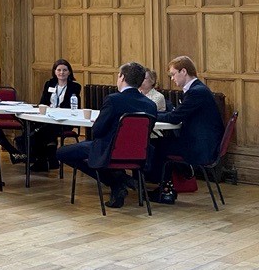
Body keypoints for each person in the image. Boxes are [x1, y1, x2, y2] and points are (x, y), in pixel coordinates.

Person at [55, 62, 156, 208]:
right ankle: (118, 182)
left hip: (108, 150)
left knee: (62, 152)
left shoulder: (113, 99)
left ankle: (117, 181)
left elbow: (97, 131)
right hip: (138, 153)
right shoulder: (150, 105)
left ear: (122, 77)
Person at [147, 56, 225, 203]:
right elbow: (177, 114)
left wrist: (150, 115)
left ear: (183, 71)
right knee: (162, 143)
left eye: (173, 74)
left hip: (201, 147)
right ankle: (166, 187)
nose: (172, 79)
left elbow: (175, 117)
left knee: (158, 145)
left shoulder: (197, 92)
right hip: (200, 141)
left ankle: (166, 190)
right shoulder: (197, 89)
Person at [23, 58, 84, 170]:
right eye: (59, 70)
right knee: (31, 128)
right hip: (48, 118)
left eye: (65, 70)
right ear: (54, 71)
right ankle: (45, 159)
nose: (62, 73)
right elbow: (43, 102)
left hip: (64, 120)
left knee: (41, 131)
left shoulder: (74, 87)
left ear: (69, 72)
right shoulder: (49, 84)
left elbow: (70, 106)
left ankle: (45, 160)